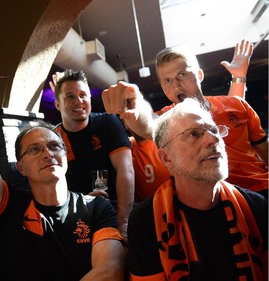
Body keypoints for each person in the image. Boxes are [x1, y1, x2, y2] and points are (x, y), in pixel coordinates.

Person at [0, 26, 126, 281]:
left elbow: (110, 271)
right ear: (21, 167)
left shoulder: (95, 207)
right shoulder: (7, 206)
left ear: (65, 156)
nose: (47, 153)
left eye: (54, 146)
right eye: (35, 149)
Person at [103, 40, 268, 197]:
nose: (176, 85)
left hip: (262, 189)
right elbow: (149, 126)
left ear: (199, 75)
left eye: (182, 74)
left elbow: (265, 150)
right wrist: (136, 108)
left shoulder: (237, 105)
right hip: (218, 201)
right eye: (167, 80)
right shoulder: (169, 119)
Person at [128, 98, 268, 280]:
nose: (213, 139)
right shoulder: (146, 221)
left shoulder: (255, 206)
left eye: (214, 131)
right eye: (194, 134)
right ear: (166, 158)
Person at [51, 69, 135, 238]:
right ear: (58, 104)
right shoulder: (54, 138)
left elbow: (126, 170)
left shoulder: (107, 122)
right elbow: (52, 188)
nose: (79, 101)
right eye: (70, 96)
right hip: (76, 215)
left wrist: (122, 222)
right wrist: (84, 204)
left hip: (115, 207)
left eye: (83, 95)